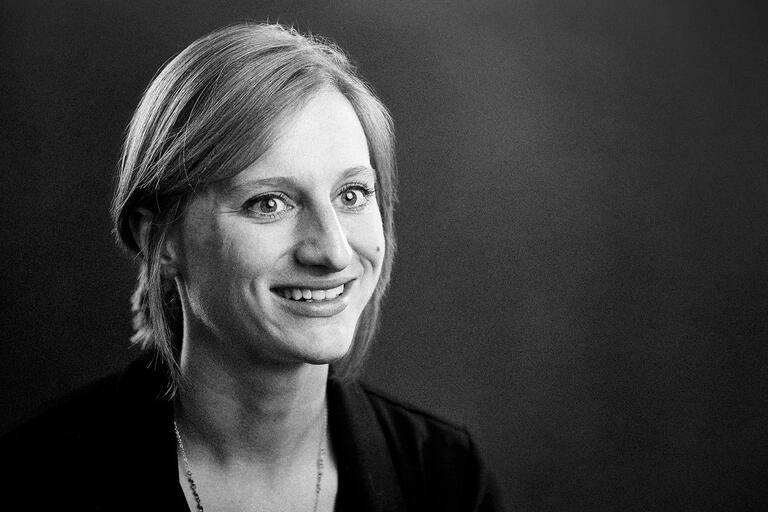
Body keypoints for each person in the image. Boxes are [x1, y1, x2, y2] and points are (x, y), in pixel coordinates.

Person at [0, 23, 505, 511]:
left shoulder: (448, 480)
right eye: (269, 203)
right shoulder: (34, 481)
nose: (333, 252)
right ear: (161, 239)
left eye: (352, 194)